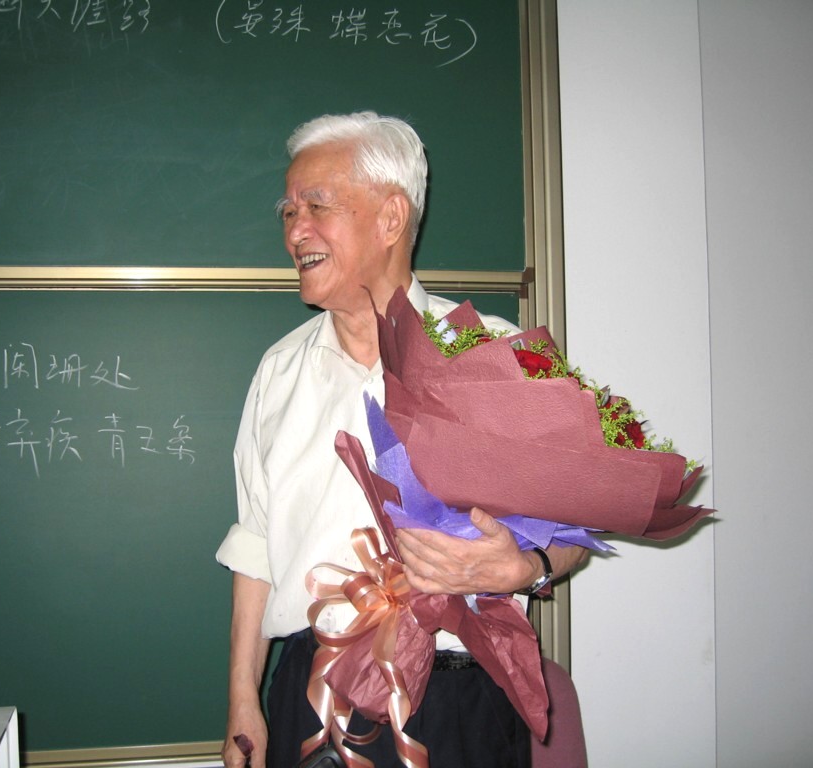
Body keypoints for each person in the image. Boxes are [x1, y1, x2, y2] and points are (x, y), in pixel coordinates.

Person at [216, 111, 587, 768]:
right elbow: (256, 547)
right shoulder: (278, 372)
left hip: (457, 701)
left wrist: (525, 568)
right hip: (309, 690)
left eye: (317, 206)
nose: (295, 230)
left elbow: (576, 523)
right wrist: (243, 697)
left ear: (391, 218)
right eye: (288, 211)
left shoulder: (497, 353)